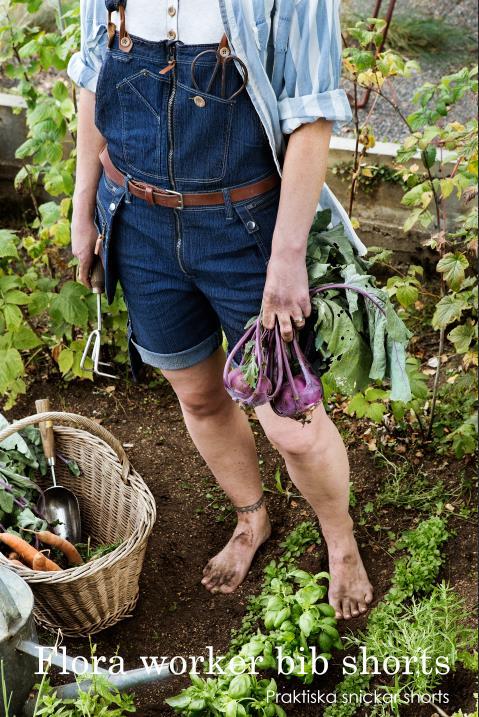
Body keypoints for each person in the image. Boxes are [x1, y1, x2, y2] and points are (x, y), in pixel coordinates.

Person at [69, 0, 374, 620]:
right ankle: (251, 518)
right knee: (199, 395)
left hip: (246, 227)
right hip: (140, 220)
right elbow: (93, 80)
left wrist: (286, 260)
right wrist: (83, 212)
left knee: (291, 421)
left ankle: (340, 544)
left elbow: (311, 117)